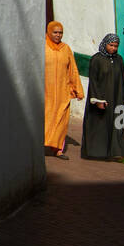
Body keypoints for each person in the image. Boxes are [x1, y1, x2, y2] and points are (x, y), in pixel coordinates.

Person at [80, 33, 124, 163]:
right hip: (102, 101)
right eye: (111, 45)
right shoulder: (96, 59)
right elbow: (94, 81)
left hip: (118, 99)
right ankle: (99, 153)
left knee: (120, 126)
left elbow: (123, 80)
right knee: (101, 127)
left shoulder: (119, 60)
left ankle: (121, 154)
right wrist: (98, 100)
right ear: (105, 44)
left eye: (116, 46)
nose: (114, 48)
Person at [44, 22, 83, 158]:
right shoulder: (42, 47)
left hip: (62, 91)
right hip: (46, 92)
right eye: (55, 32)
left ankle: (58, 149)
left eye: (60, 32)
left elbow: (73, 69)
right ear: (49, 32)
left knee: (61, 120)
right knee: (46, 118)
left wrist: (78, 89)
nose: (58, 35)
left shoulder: (66, 49)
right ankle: (42, 145)